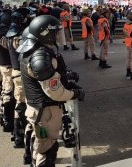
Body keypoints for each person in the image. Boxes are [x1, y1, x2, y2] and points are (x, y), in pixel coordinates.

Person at [18, 15, 85, 167]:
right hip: (45, 111)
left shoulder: (31, 50)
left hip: (37, 107)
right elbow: (54, 92)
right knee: (47, 147)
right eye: (55, 33)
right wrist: (75, 94)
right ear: (45, 34)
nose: (58, 36)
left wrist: (65, 75)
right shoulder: (40, 57)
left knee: (39, 144)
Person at [6, 7, 31, 148]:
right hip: (21, 73)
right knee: (24, 105)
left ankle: (17, 133)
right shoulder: (18, 37)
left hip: (15, 71)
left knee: (18, 102)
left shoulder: (8, 34)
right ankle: (21, 137)